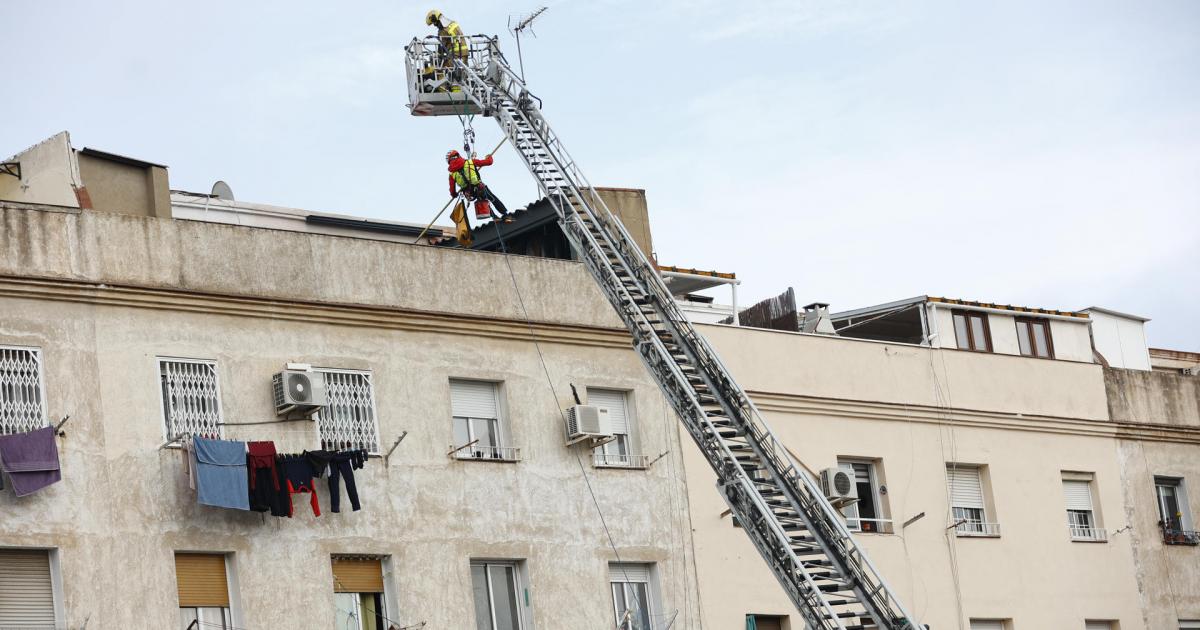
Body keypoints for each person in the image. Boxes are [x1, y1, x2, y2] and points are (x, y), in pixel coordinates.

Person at [447, 150, 511, 222]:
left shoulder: (452, 174)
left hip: (470, 193)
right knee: (493, 199)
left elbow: (452, 190)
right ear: (458, 155)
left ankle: (494, 217)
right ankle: (506, 215)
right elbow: (489, 162)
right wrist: (489, 157)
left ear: (449, 161)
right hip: (479, 187)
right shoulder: (470, 162)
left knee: (482, 200)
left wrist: (454, 195)